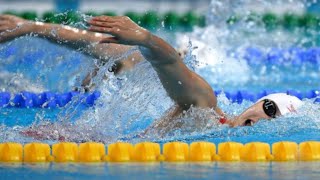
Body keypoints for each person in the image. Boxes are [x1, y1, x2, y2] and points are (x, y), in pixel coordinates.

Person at [0, 14, 304, 137]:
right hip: (79, 140)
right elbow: (170, 61)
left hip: (88, 141)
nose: (266, 117)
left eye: (274, 117)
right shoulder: (207, 109)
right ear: (258, 102)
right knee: (118, 56)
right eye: (268, 107)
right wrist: (145, 38)